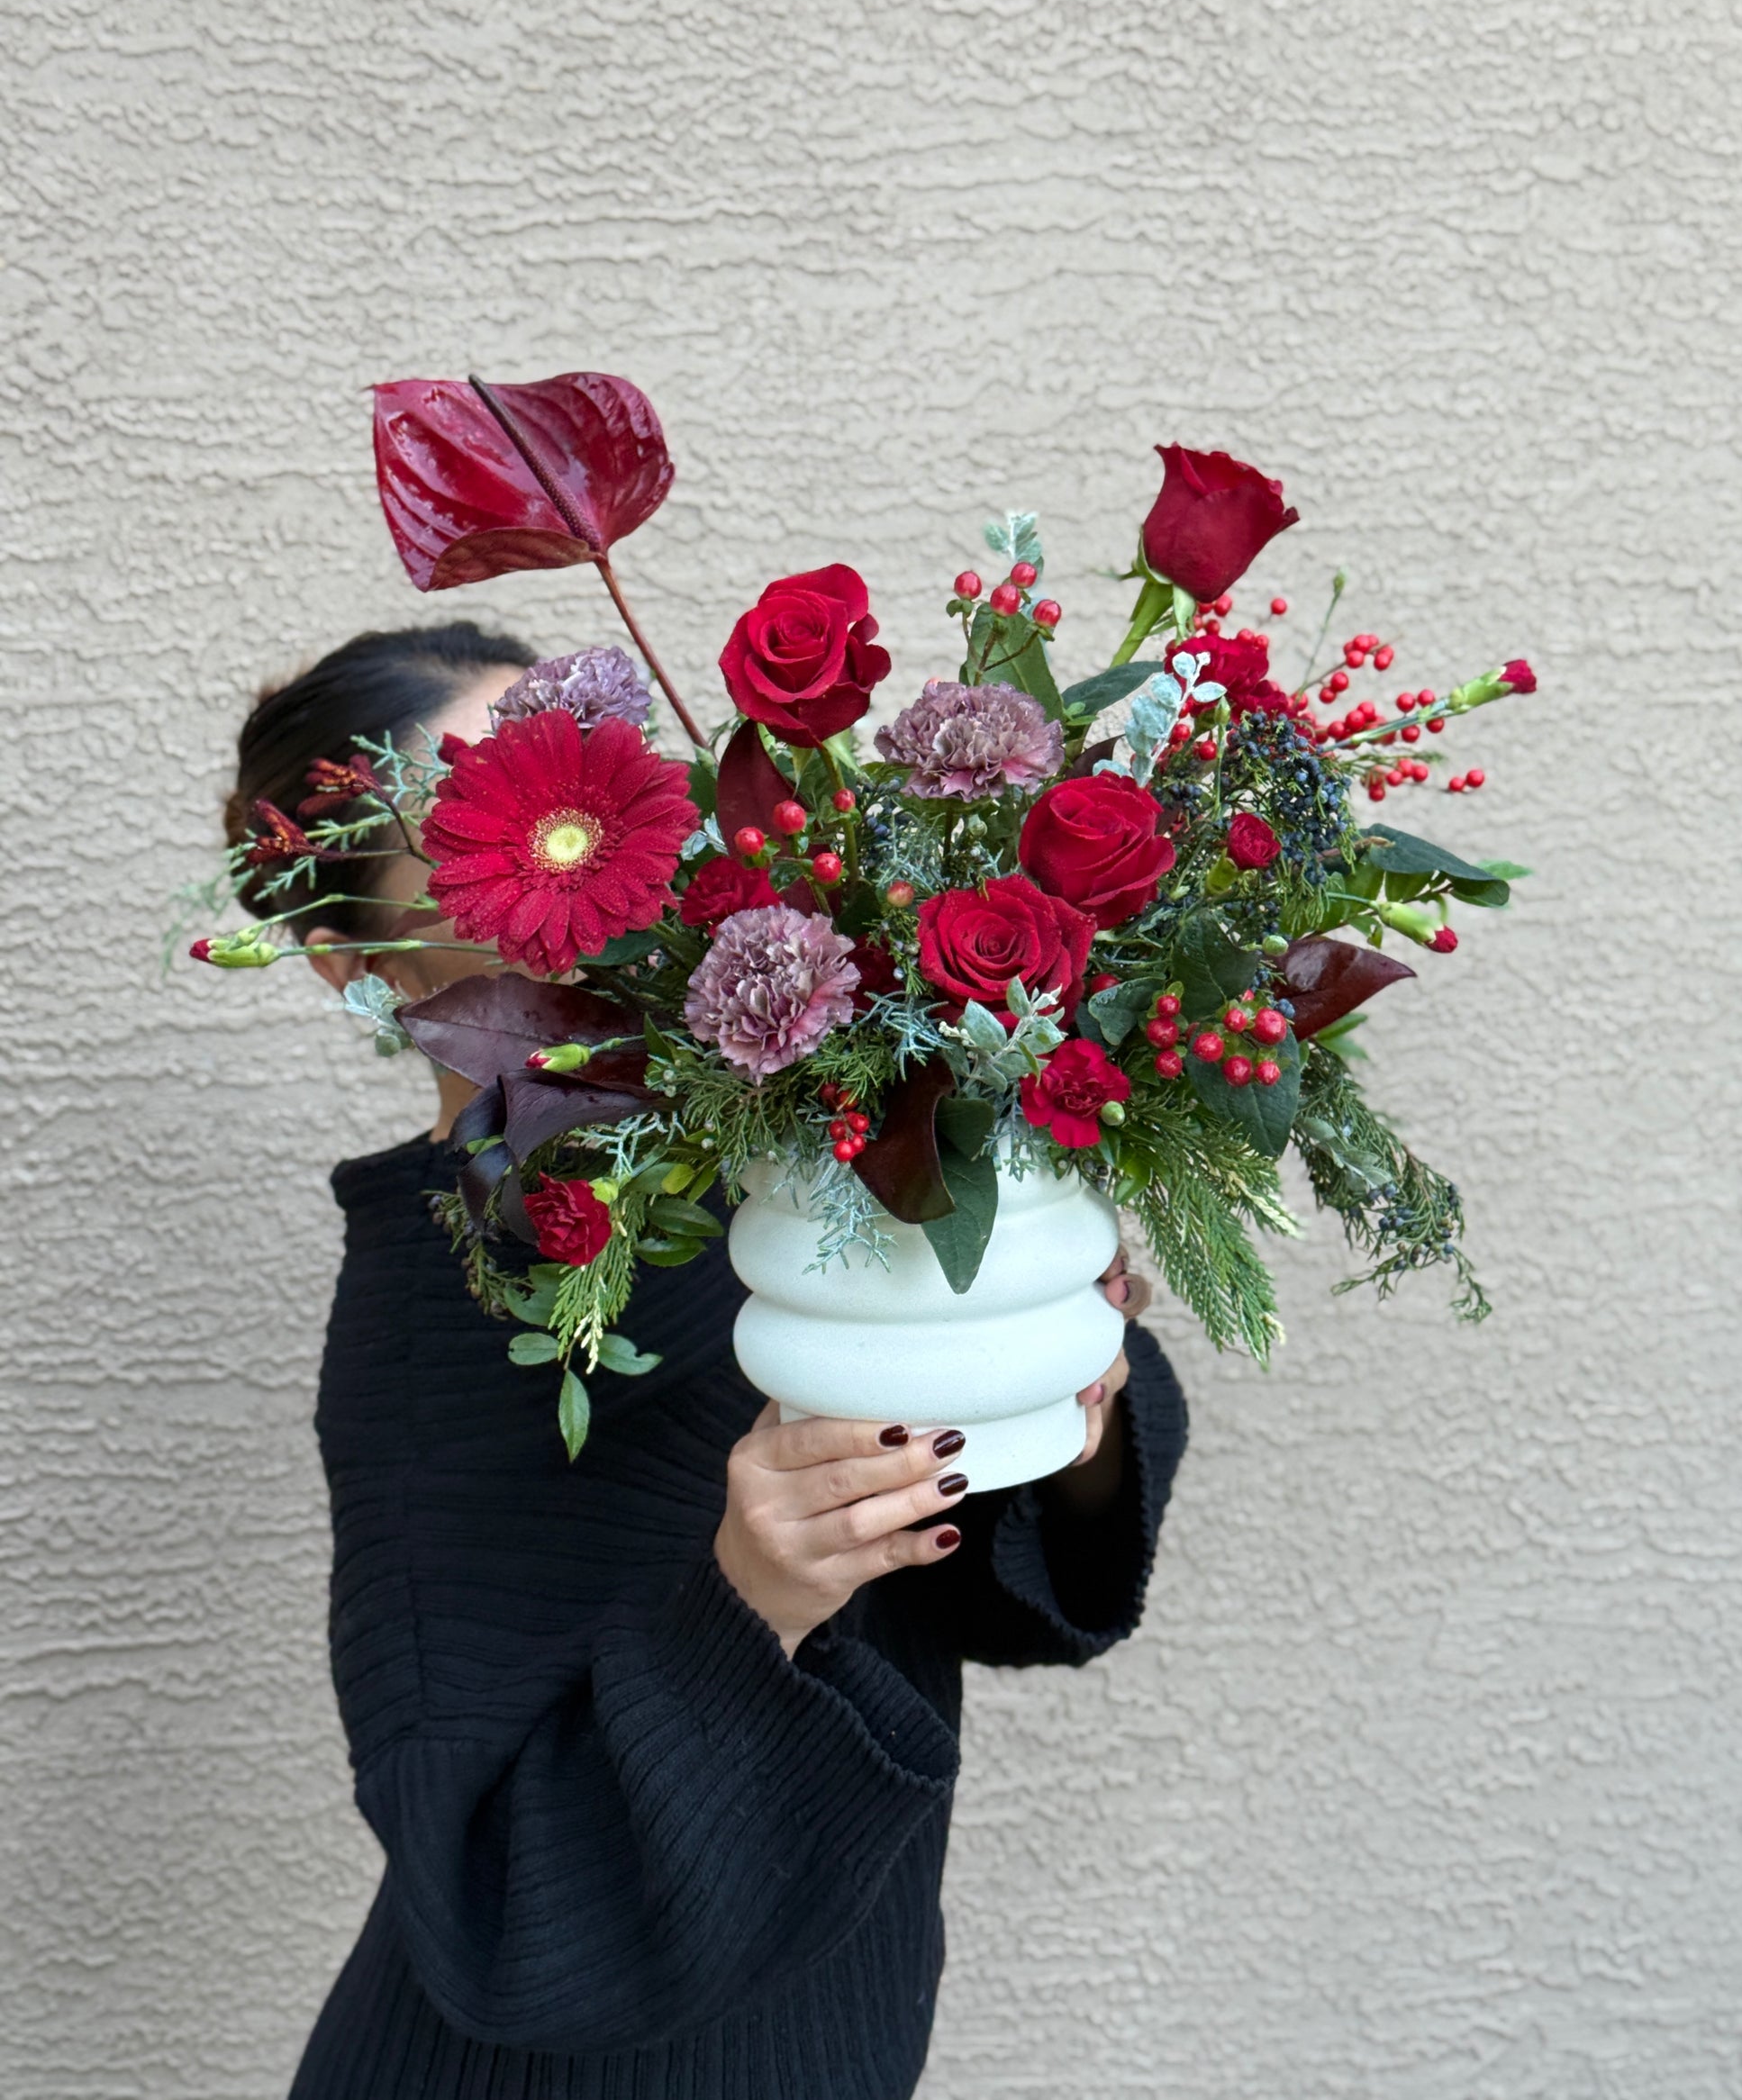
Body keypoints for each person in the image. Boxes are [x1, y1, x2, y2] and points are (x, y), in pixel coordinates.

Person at [226, 620, 1190, 2100]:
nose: (577, 845)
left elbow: (985, 1596)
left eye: (592, 776)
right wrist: (751, 1597)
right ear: (352, 958)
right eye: (485, 827)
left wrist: (1061, 1385)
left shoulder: (770, 1173)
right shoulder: (444, 1319)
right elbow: (491, 1908)